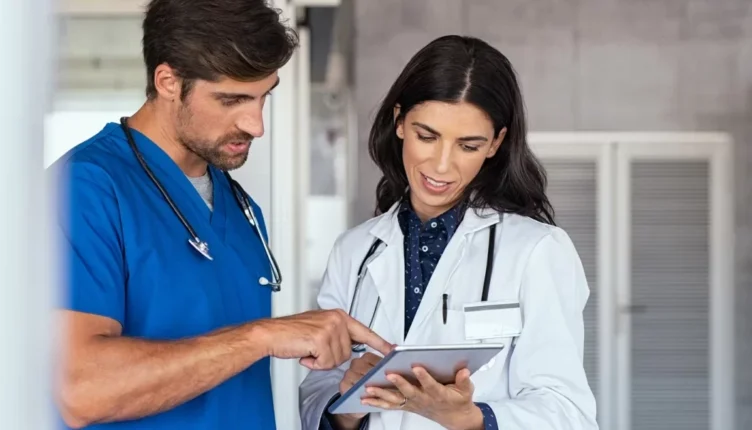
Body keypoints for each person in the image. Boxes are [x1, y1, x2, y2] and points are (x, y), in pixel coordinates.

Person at [50, 1, 392, 429]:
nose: (256, 124)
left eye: (264, 96)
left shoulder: (242, 210)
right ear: (168, 81)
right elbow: (80, 390)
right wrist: (260, 336)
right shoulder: (85, 189)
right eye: (232, 99)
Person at [298, 35, 599, 430]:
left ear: (496, 144)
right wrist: (347, 405)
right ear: (400, 121)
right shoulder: (354, 251)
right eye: (427, 136)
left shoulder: (538, 250)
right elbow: (314, 397)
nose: (441, 166)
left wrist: (472, 419)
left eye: (468, 146)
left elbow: (569, 414)